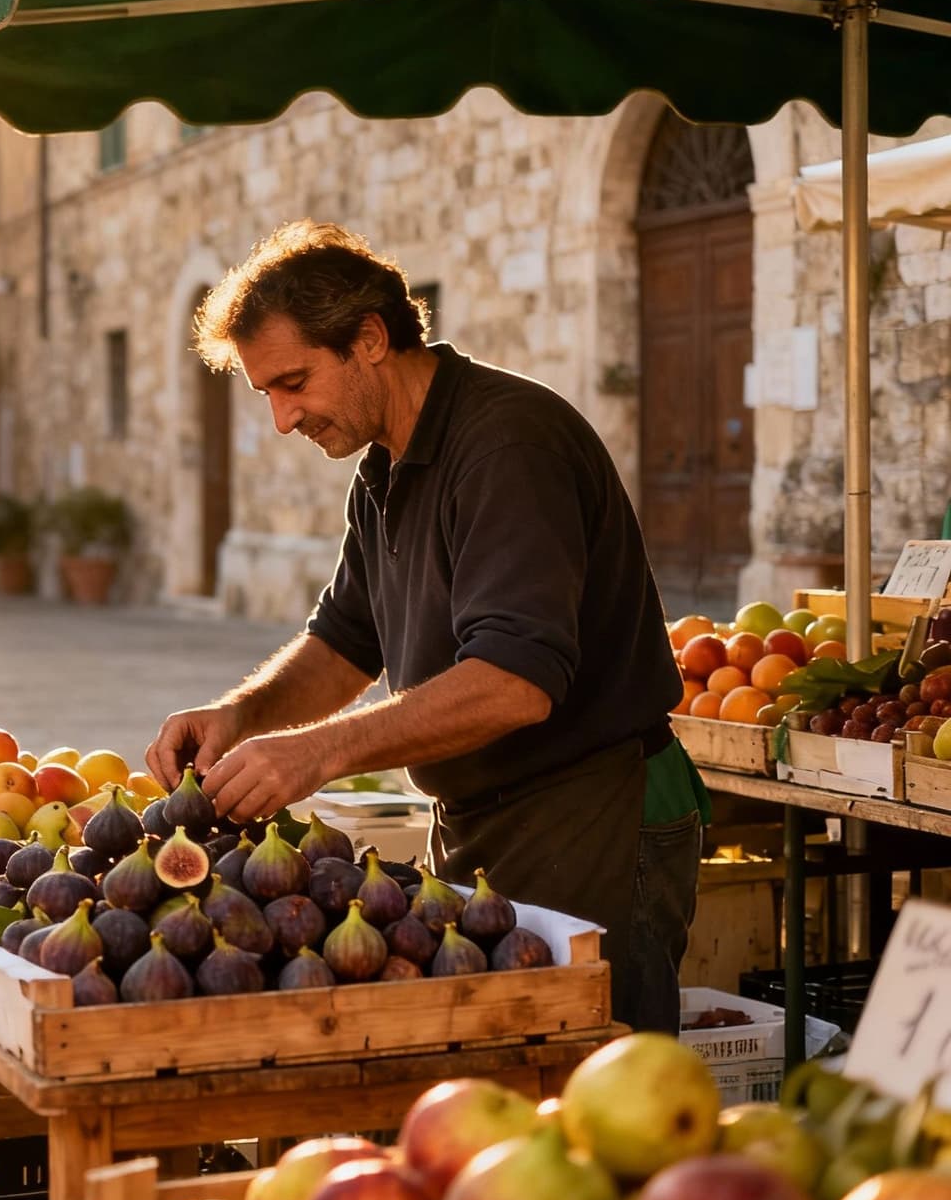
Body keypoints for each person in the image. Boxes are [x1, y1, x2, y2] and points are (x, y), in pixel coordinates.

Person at [145, 221, 704, 1035]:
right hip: (484, 820)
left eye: (294, 382)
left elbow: (515, 684)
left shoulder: (509, 444)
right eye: (267, 392)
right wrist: (244, 716)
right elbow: (344, 644)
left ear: (370, 339)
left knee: (595, 1085)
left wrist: (321, 751)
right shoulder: (381, 471)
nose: (282, 418)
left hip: (596, 811)